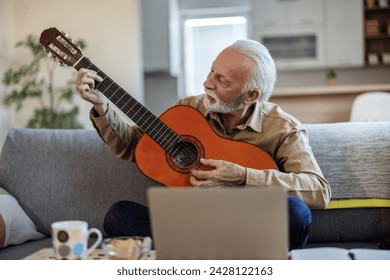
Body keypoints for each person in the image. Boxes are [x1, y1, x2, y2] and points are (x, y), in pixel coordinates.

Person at [76, 39, 331, 250]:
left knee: (296, 213)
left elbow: (318, 190)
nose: (207, 83)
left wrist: (244, 176)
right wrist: (101, 105)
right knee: (118, 215)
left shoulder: (282, 127)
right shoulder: (187, 109)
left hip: (250, 228)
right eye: (211, 71)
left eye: (222, 81)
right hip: (191, 223)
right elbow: (132, 146)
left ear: (251, 95)